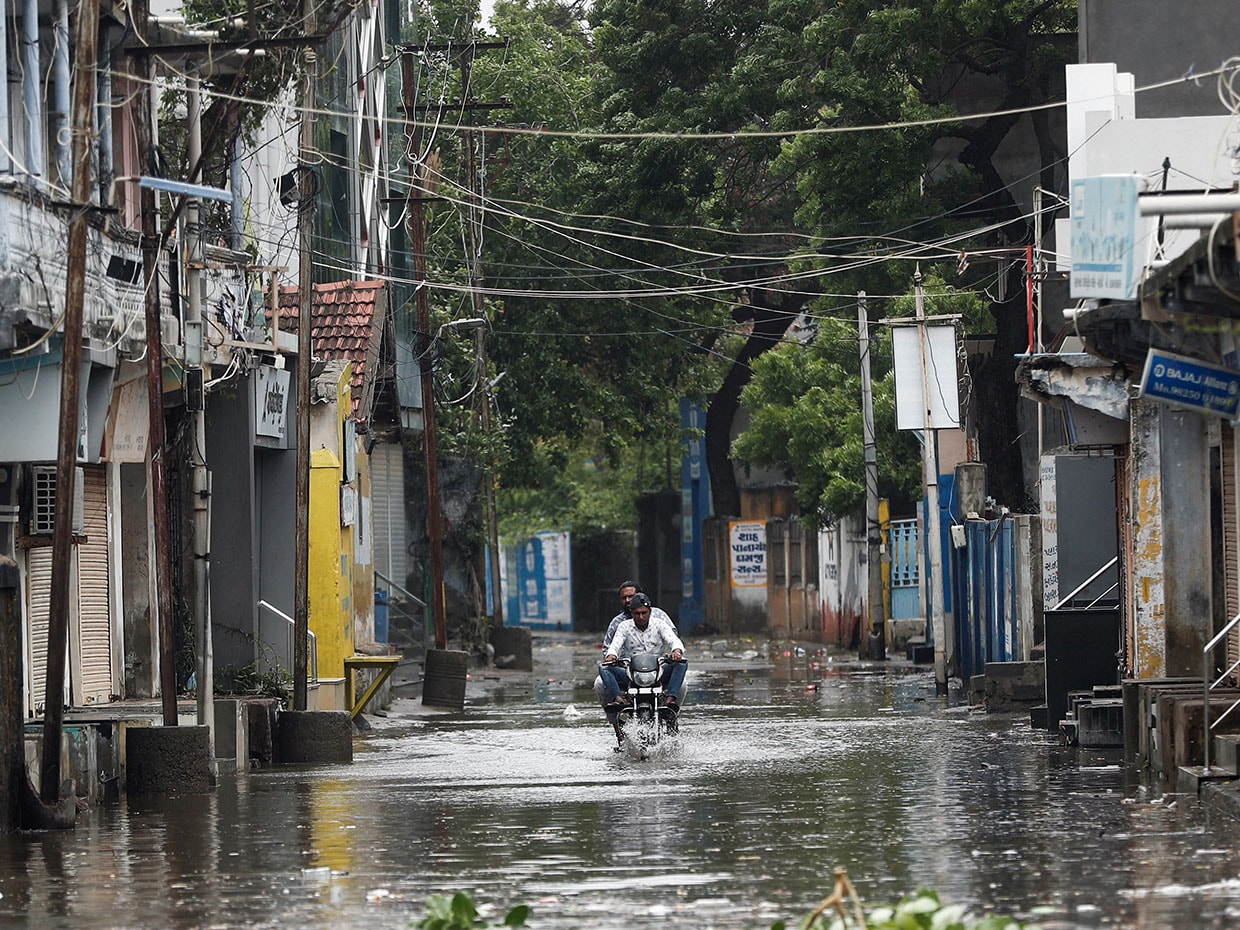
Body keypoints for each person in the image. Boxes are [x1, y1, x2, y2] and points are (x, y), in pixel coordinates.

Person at [599, 593, 688, 713]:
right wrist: (611, 656)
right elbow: (615, 645)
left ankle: (670, 700)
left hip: (658, 673)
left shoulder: (659, 624)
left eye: (644, 613)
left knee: (682, 663)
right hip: (631, 675)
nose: (641, 617)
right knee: (603, 668)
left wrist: (676, 651)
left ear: (650, 612)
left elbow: (673, 640)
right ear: (631, 613)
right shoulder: (624, 626)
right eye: (637, 613)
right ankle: (618, 699)